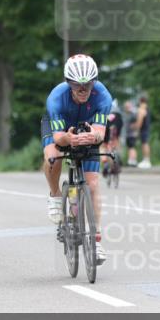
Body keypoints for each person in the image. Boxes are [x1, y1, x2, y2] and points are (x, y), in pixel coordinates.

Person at [41, 54, 113, 264]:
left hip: (87, 127)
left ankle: (96, 240)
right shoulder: (56, 98)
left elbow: (100, 131)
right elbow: (58, 138)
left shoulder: (103, 97)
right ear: (68, 83)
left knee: (92, 184)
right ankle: (55, 194)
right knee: (53, 155)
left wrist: (94, 136)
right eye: (76, 85)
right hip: (61, 127)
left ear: (95, 82)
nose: (83, 90)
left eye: (88, 85)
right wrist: (68, 138)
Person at [101, 99, 124, 178]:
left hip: (107, 118)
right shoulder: (115, 102)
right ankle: (118, 156)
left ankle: (105, 163)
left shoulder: (103, 100)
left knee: (103, 145)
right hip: (118, 118)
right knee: (116, 139)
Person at [135, 95, 152, 168]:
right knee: (145, 143)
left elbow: (140, 119)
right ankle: (146, 160)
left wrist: (137, 128)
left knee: (144, 144)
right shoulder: (147, 108)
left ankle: (146, 160)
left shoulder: (141, 109)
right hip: (147, 128)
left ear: (140, 101)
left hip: (143, 129)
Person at [124, 100, 139, 166]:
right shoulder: (128, 114)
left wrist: (134, 130)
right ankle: (131, 160)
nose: (126, 108)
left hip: (132, 134)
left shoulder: (132, 114)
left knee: (132, 147)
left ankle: (132, 160)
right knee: (130, 147)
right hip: (128, 134)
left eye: (127, 107)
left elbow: (136, 123)